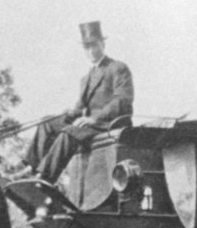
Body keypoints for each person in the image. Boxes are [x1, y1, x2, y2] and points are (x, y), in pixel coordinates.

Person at [15, 21, 134, 183]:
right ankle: (30, 167)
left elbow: (122, 101)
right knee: (47, 123)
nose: (91, 51)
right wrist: (70, 113)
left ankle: (45, 177)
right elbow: (80, 107)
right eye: (87, 47)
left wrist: (94, 118)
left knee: (69, 132)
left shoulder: (118, 68)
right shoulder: (86, 78)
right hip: (89, 126)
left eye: (94, 46)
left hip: (108, 124)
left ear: (103, 44)